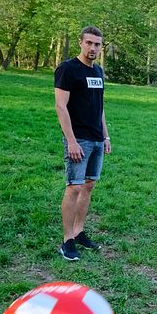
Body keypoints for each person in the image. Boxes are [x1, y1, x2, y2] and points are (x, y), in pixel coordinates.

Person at [54, 26, 110, 261]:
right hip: (79, 140)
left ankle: (79, 232)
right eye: (89, 43)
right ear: (80, 43)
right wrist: (72, 141)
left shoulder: (98, 71)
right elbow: (60, 106)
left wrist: (105, 136)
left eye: (97, 44)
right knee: (74, 187)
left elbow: (100, 107)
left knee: (88, 187)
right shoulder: (68, 69)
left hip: (97, 139)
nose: (93, 48)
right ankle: (67, 240)